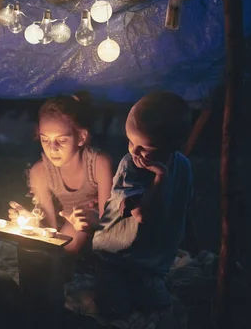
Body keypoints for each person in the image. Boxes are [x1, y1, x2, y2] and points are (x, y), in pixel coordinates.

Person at [66, 91, 194, 318]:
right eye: (130, 141)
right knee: (114, 308)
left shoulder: (182, 166)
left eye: (145, 147)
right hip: (116, 254)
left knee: (155, 305)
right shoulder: (132, 166)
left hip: (151, 258)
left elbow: (179, 205)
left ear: (174, 144)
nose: (134, 151)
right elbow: (141, 213)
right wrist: (159, 179)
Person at [9, 94, 113, 255]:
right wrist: (31, 220)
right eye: (45, 140)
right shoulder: (40, 172)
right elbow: (49, 228)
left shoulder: (99, 164)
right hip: (67, 229)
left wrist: (88, 220)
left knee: (75, 230)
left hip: (99, 228)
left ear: (81, 137)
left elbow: (110, 218)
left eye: (62, 140)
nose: (52, 149)